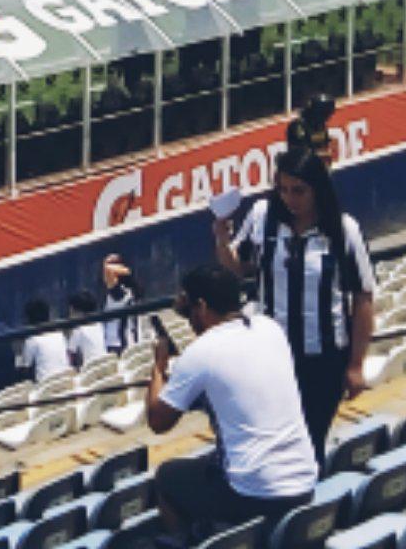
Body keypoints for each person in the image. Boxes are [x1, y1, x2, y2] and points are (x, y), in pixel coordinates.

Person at [216, 144, 377, 468]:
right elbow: (241, 267)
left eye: (299, 190)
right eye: (284, 189)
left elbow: (363, 297)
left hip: (324, 358)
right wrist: (221, 239)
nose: (290, 198)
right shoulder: (263, 217)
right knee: (272, 440)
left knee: (309, 440)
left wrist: (356, 365)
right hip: (272, 357)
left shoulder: (343, 230)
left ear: (317, 188)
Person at [149, 262, 318, 542]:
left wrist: (159, 366)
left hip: (255, 493)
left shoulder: (200, 353)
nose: (189, 319)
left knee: (167, 476)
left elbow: (158, 421)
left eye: (189, 310)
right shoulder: (270, 327)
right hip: (304, 481)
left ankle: (186, 541)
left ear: (201, 307)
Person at [17, 295, 72, 383]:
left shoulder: (32, 339)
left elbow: (25, 368)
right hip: (66, 381)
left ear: (28, 319)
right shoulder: (59, 334)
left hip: (46, 387)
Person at [100, 253, 139, 353]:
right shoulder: (128, 290)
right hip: (126, 344)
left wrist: (124, 270)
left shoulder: (119, 293)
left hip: (118, 346)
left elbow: (108, 270)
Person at [286, 92, 338, 165]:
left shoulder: (320, 124)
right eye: (327, 114)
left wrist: (330, 142)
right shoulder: (298, 126)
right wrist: (321, 154)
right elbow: (300, 152)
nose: (328, 118)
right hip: (300, 168)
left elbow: (323, 142)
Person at [66, 289, 107, 369]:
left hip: (90, 370)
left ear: (77, 311)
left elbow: (70, 357)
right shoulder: (99, 325)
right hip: (104, 366)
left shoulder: (79, 330)